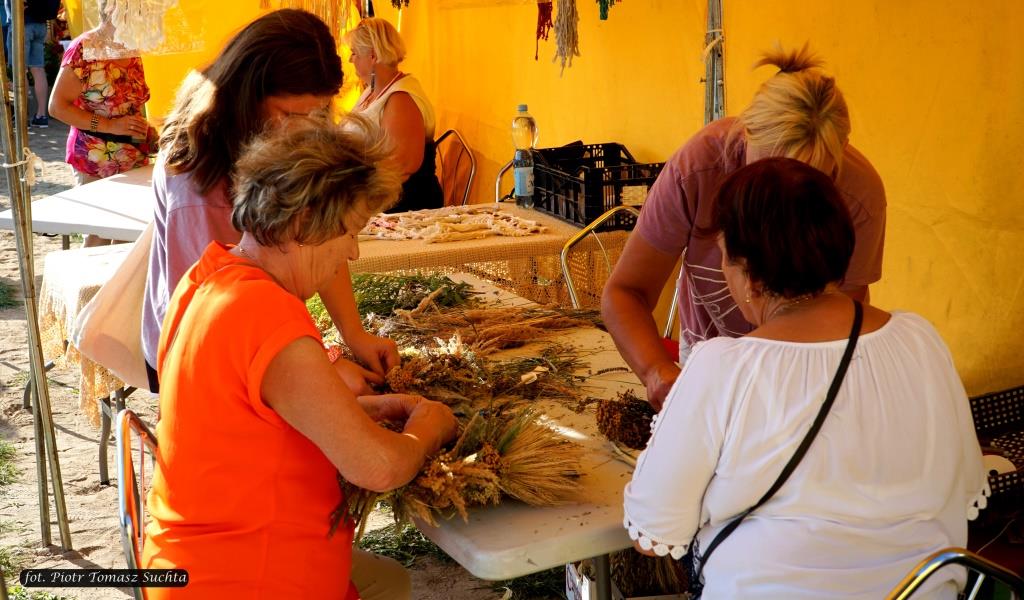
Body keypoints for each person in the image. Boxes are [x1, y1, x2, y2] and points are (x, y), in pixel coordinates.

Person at [622, 158, 987, 599]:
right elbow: (963, 489)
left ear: (751, 276)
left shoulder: (722, 368)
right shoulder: (918, 340)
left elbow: (653, 534)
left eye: (724, 257)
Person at [141, 116, 459, 599]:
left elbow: (246, 421)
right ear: (304, 223)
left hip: (191, 563)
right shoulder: (264, 314)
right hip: (243, 584)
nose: (353, 253)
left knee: (391, 580)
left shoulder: (208, 275)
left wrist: (358, 410)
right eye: (351, 232)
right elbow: (378, 467)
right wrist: (427, 431)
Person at [602, 44, 887, 409]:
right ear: (745, 134)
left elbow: (841, 321)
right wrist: (657, 371)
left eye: (807, 192)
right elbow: (625, 292)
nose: (781, 208)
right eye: (764, 178)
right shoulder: (698, 168)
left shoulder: (858, 193)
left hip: (801, 376)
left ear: (840, 152)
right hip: (706, 361)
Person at [142, 9, 398, 396]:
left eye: (317, 113)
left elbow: (324, 234)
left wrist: (353, 333)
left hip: (256, 333)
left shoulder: (283, 130)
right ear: (246, 95)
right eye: (289, 114)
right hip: (200, 353)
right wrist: (325, 362)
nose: (304, 128)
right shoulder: (200, 183)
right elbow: (224, 311)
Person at [48, 0, 158, 246]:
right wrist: (109, 125)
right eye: (136, 9)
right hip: (94, 159)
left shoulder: (131, 48)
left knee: (127, 238)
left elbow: (131, 105)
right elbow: (57, 107)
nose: (142, 15)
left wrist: (147, 132)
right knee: (98, 237)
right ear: (113, 9)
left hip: (133, 157)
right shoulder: (85, 49)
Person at [344, 17, 443, 213]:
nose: (350, 59)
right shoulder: (372, 90)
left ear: (372, 56)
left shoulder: (401, 99)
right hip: (372, 197)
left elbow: (398, 168)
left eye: (354, 53)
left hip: (402, 206)